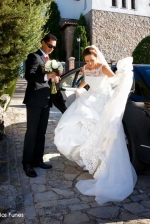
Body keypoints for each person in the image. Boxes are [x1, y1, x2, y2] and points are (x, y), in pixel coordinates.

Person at [54, 45, 137, 204]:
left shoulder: (104, 67)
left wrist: (124, 75)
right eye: (86, 61)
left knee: (102, 134)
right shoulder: (86, 68)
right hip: (89, 99)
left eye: (92, 60)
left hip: (103, 102)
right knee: (82, 129)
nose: (89, 63)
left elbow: (114, 82)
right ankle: (91, 162)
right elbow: (86, 79)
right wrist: (78, 89)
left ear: (97, 58)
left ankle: (103, 166)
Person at [22, 33, 60, 177]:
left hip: (45, 100)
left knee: (41, 133)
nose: (51, 49)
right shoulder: (34, 56)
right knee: (31, 133)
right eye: (50, 46)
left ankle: (38, 160)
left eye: (54, 47)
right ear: (43, 42)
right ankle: (27, 164)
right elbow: (29, 76)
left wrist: (54, 78)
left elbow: (48, 79)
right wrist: (46, 76)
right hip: (34, 100)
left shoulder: (49, 59)